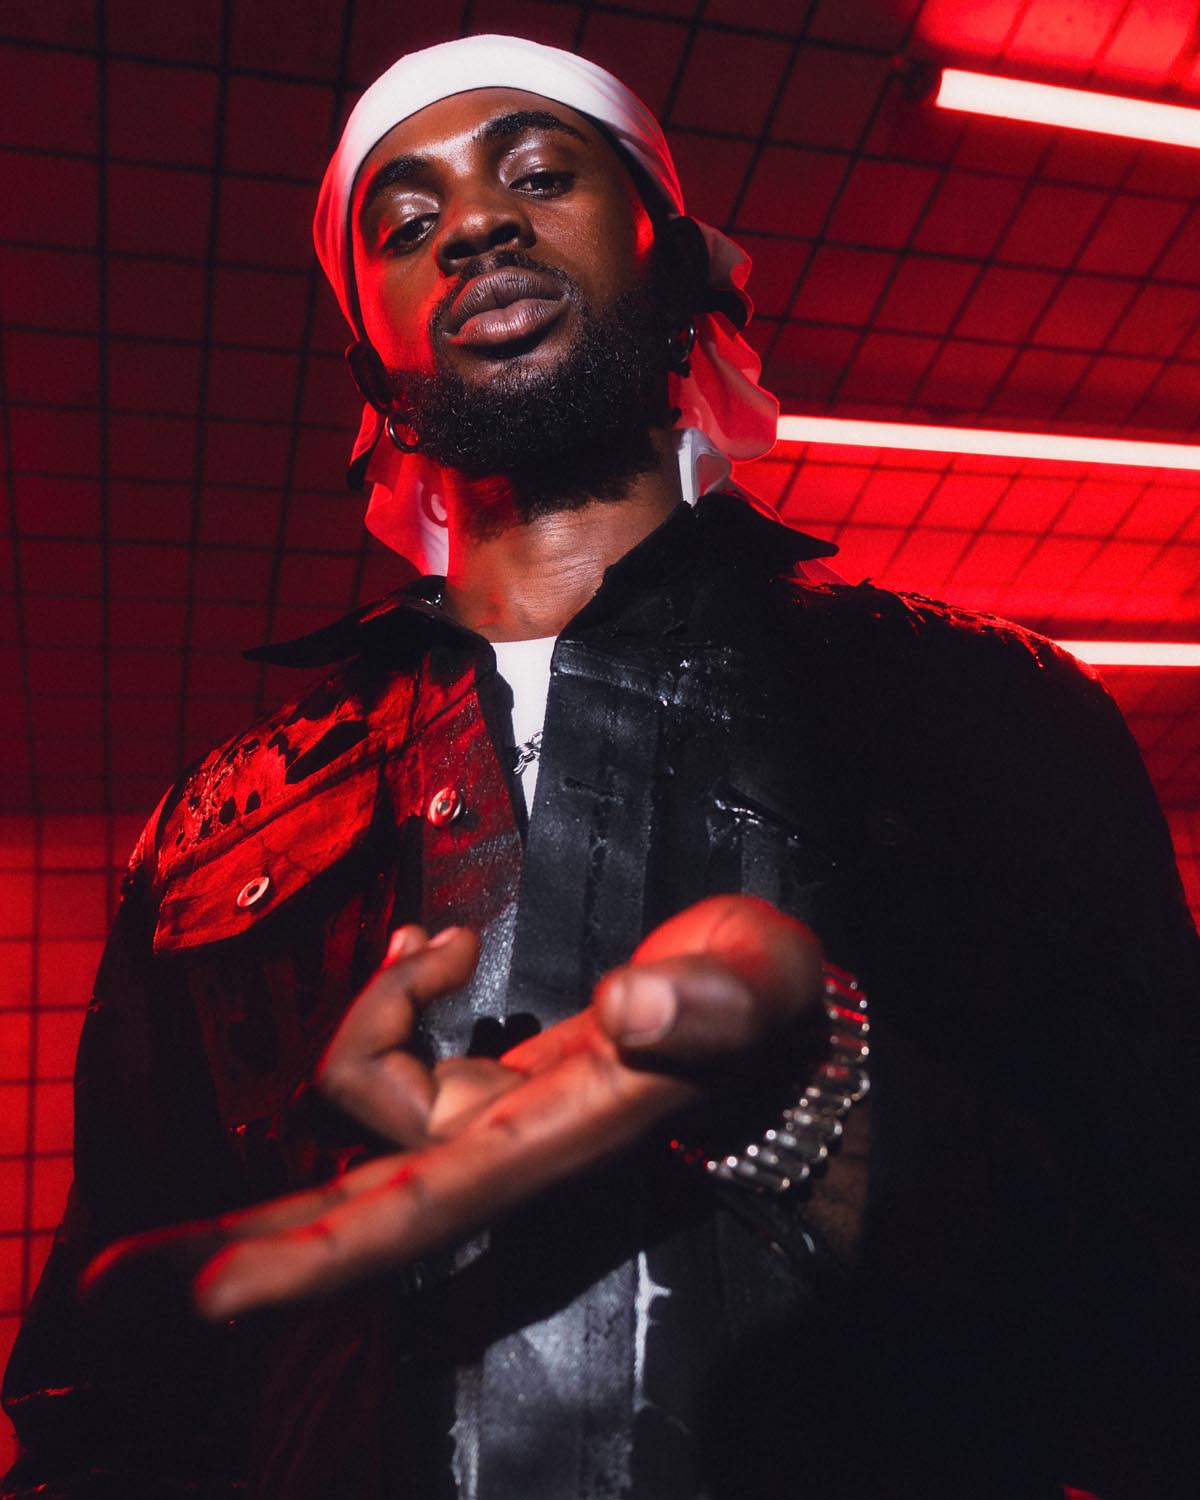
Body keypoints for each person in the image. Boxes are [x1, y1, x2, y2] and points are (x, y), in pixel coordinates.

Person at [4, 33, 1199, 1500]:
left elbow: (1159, 1298)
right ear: (362, 352)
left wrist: (824, 1115)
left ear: (688, 259)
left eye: (538, 171)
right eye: (405, 218)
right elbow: (109, 1395)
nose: (475, 225)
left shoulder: (982, 713)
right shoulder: (215, 828)